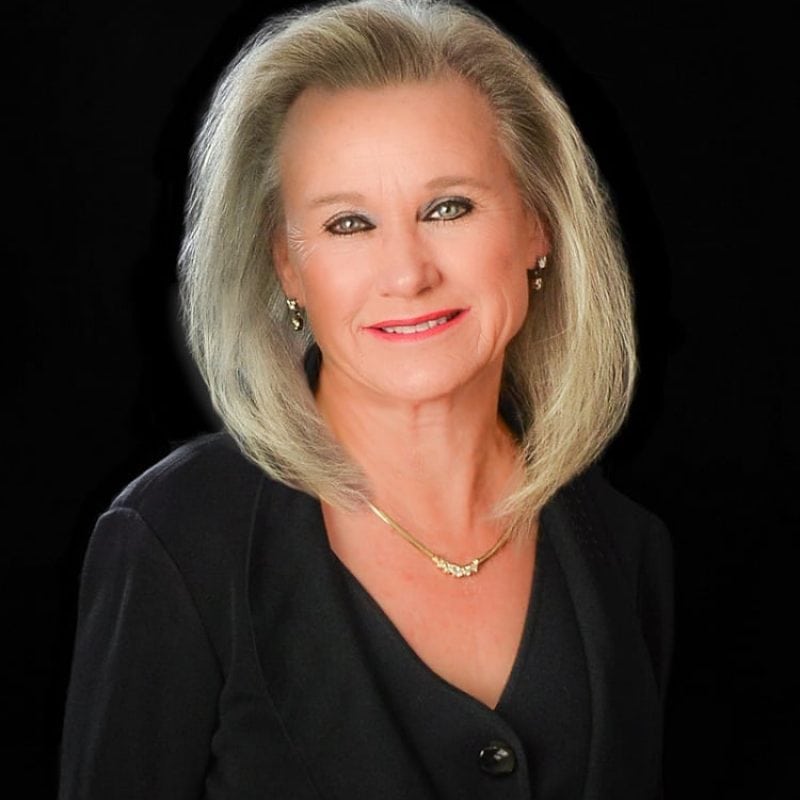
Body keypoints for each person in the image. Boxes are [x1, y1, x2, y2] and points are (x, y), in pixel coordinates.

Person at [58, 0, 673, 797]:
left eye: (448, 208)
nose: (408, 273)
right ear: (287, 266)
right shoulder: (173, 539)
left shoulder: (628, 548)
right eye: (349, 224)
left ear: (537, 225)